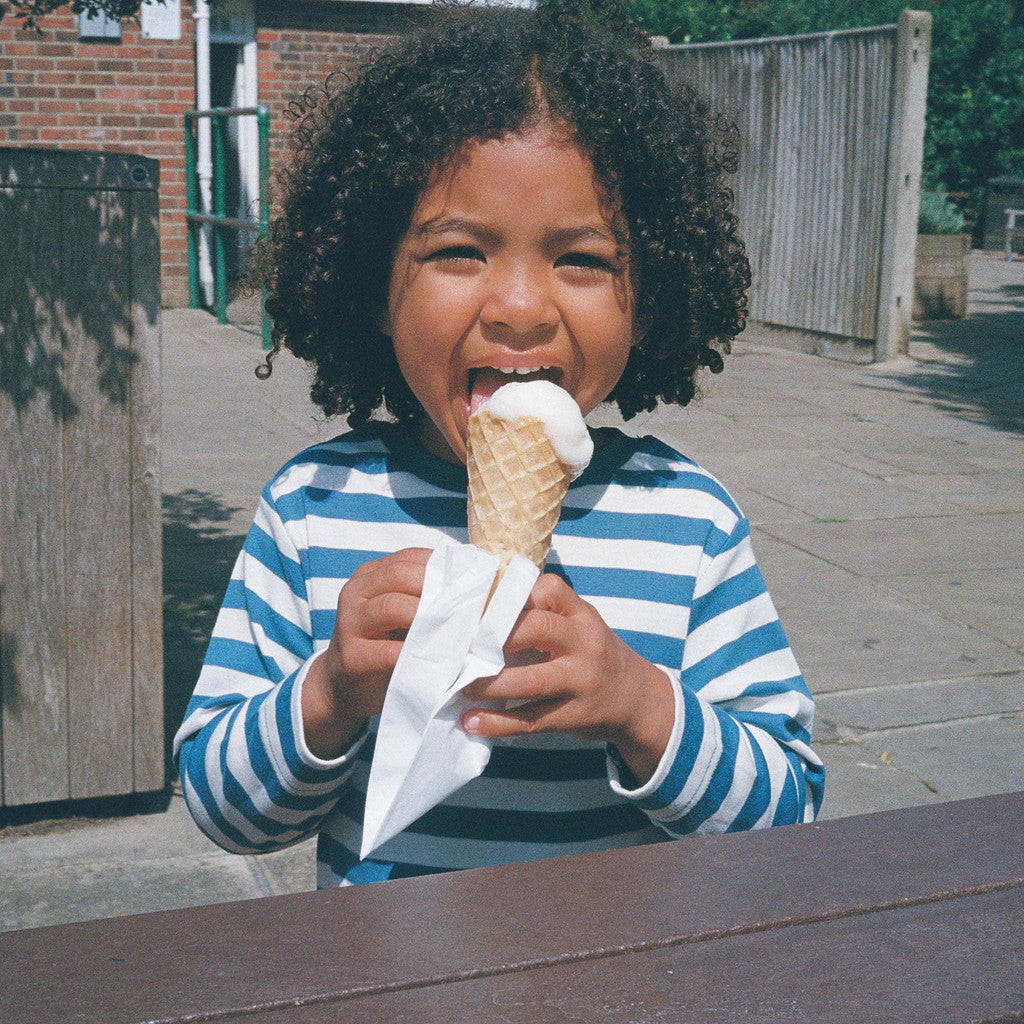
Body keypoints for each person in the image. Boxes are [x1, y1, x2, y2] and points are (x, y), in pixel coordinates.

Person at [174, 0, 825, 887]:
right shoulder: (313, 508)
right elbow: (221, 810)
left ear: (652, 295)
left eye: (583, 260)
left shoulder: (687, 520)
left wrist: (640, 705)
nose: (520, 307)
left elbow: (790, 812)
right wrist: (331, 691)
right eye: (459, 251)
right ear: (374, 283)